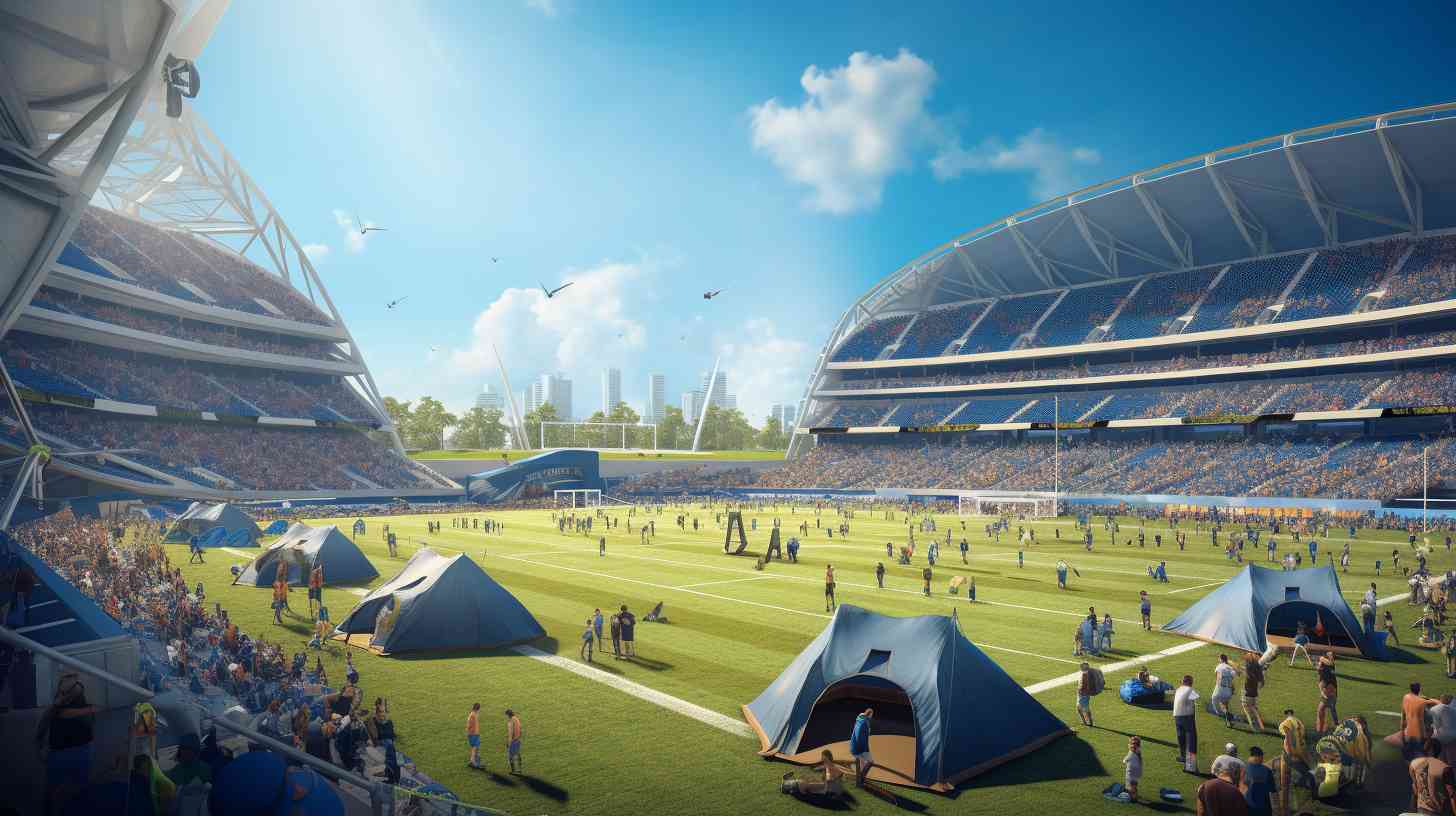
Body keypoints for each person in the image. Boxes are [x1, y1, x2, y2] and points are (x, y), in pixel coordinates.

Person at [36, 673, 99, 815]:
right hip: (60, 752)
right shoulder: (58, 704)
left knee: (81, 787)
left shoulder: (79, 694)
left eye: (74, 683)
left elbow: (87, 711)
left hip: (82, 748)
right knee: (53, 789)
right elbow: (61, 714)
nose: (74, 686)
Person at [1408, 738, 1454, 816]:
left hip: (1421, 811)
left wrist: (1412, 812)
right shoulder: (1445, 768)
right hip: (1441, 813)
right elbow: (1452, 796)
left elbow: (1415, 790)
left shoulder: (1413, 764)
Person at [1404, 683, 1439, 760]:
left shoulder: (1407, 699)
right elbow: (1437, 702)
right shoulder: (1424, 706)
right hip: (1420, 734)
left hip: (1410, 732)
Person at [1173, 674, 1201, 773]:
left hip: (1177, 716)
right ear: (1190, 682)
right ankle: (1190, 766)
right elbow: (1198, 697)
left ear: (1182, 682)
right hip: (1187, 717)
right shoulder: (1190, 690)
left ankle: (1182, 756)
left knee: (1181, 738)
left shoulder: (1178, 689)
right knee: (1191, 741)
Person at [1241, 746, 1276, 816]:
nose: (1263, 759)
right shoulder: (1267, 770)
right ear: (1258, 757)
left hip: (1247, 807)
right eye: (1262, 757)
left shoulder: (1243, 769)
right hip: (1264, 808)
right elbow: (1273, 789)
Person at [1212, 654, 1239, 728]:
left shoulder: (1219, 666)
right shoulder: (1230, 668)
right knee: (1225, 705)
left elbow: (1217, 677)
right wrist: (1232, 689)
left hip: (1219, 689)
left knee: (1220, 706)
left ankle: (1228, 717)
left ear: (1220, 659)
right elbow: (1234, 677)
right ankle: (1229, 719)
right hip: (1228, 690)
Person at [1315, 652, 1338, 734]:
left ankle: (1326, 729)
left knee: (1325, 709)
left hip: (1329, 690)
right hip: (1326, 690)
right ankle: (1322, 729)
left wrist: (1321, 658)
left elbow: (1330, 662)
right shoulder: (1324, 666)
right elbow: (1318, 669)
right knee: (1323, 710)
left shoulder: (1330, 665)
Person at [849, 708, 873, 787]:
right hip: (859, 748)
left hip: (854, 746)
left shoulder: (860, 719)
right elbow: (860, 737)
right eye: (871, 715)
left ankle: (860, 779)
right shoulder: (863, 724)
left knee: (862, 762)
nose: (872, 716)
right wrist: (864, 750)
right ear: (869, 714)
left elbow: (860, 734)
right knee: (870, 762)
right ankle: (860, 780)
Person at [1123, 735, 1143, 803]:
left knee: (1131, 786)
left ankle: (1133, 798)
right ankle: (1135, 795)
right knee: (1134, 785)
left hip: (1131, 772)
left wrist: (1124, 760)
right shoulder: (1138, 751)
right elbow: (1140, 762)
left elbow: (1125, 760)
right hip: (1137, 772)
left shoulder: (1131, 753)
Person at [505, 709, 523, 774]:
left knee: (510, 756)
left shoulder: (510, 721)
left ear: (508, 715)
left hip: (513, 741)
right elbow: (520, 729)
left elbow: (511, 732)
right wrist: (519, 737)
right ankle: (520, 769)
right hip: (518, 739)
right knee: (518, 754)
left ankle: (513, 770)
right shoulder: (517, 719)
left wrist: (509, 742)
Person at [1076, 662, 1094, 727]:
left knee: (1080, 708)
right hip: (1086, 694)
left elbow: (1083, 685)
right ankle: (1089, 721)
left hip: (1082, 694)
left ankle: (1086, 721)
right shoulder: (1088, 674)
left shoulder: (1084, 675)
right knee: (1085, 708)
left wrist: (1079, 690)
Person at [466, 702, 482, 769]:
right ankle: (473, 762)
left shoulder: (473, 714)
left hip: (474, 734)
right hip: (474, 734)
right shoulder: (473, 715)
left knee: (475, 748)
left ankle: (474, 761)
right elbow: (469, 725)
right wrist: (471, 731)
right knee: (475, 748)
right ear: (478, 709)